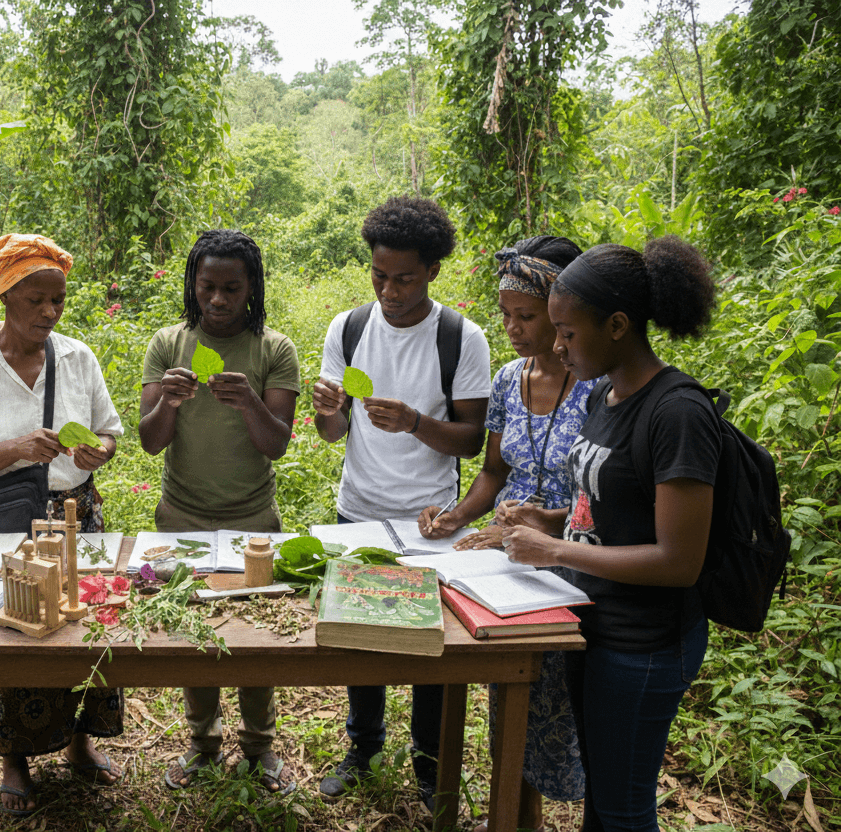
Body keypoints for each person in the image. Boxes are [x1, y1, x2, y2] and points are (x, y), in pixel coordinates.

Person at [504, 237, 717, 832]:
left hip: (643, 645)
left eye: (568, 333)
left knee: (623, 809)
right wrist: (548, 520)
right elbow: (607, 509)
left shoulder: (677, 413)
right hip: (594, 626)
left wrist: (554, 550)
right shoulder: (604, 393)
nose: (557, 346)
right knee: (601, 800)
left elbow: (679, 560)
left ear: (618, 326)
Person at [0, 233, 125, 816]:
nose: (49, 312)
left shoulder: (77, 358)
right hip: (11, 525)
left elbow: (109, 431)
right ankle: (14, 757)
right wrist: (16, 448)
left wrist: (98, 451)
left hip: (78, 515)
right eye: (35, 300)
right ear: (5, 297)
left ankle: (81, 742)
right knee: (14, 632)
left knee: (85, 627)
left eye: (57, 300)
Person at [312, 196, 492, 809]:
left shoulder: (460, 337)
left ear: (433, 271)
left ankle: (429, 766)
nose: (389, 291)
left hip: (430, 520)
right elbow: (333, 433)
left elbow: (472, 438)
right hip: (358, 508)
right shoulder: (348, 328)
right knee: (361, 636)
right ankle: (362, 750)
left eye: (405, 278)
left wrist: (415, 421)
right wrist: (328, 411)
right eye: (379, 275)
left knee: (428, 647)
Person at [420, 236, 593, 832]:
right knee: (512, 700)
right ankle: (519, 817)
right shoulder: (507, 380)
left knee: (565, 706)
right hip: (510, 567)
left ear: (563, 312)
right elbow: (495, 472)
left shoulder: (597, 388)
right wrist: (458, 516)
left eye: (526, 316)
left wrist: (549, 523)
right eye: (505, 315)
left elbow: (607, 495)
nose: (513, 329)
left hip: (576, 565)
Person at [139, 229, 300, 794]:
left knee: (255, 635)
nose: (218, 299)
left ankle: (259, 746)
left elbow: (276, 444)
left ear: (252, 287)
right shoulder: (168, 344)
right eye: (207, 286)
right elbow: (150, 441)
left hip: (251, 520)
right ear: (193, 283)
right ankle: (202, 744)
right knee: (194, 634)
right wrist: (168, 400)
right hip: (181, 518)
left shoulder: (273, 349)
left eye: (232, 288)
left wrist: (250, 400)